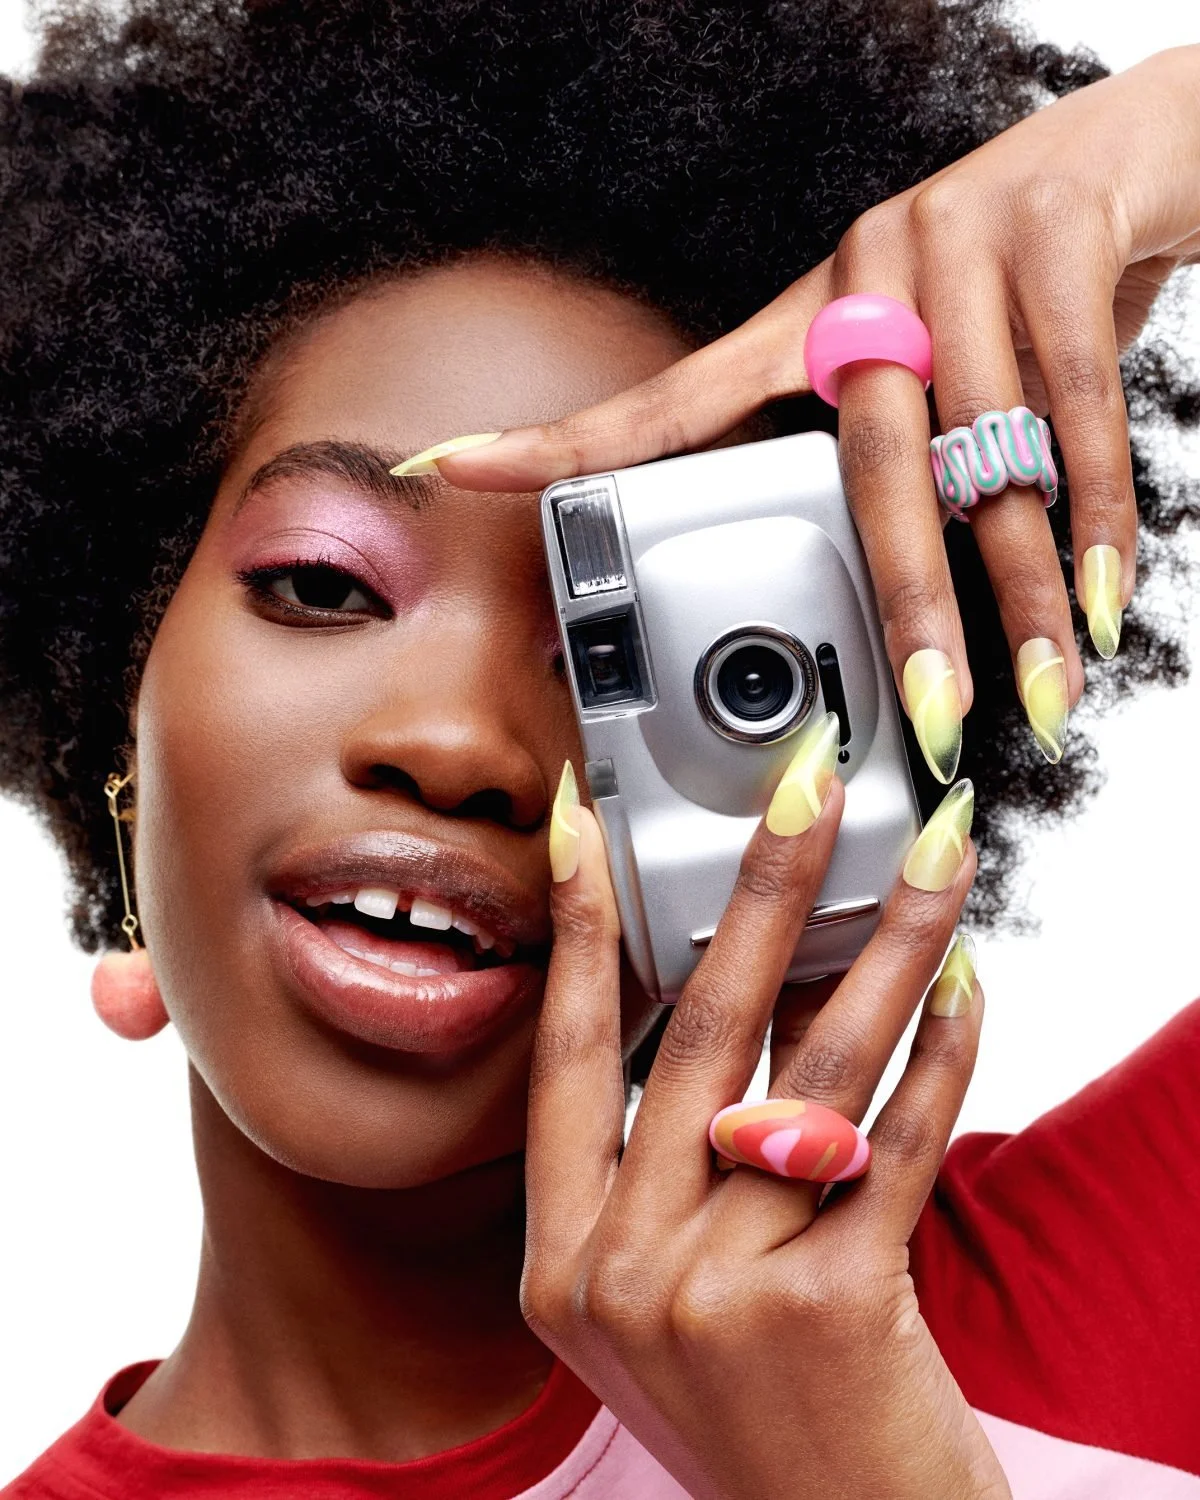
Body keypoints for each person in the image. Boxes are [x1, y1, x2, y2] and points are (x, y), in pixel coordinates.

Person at [0, 1, 1198, 1495]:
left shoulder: (1100, 1289)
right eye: (322, 585)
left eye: (613, 649)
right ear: (117, 711)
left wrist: (1165, 132)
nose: (459, 745)